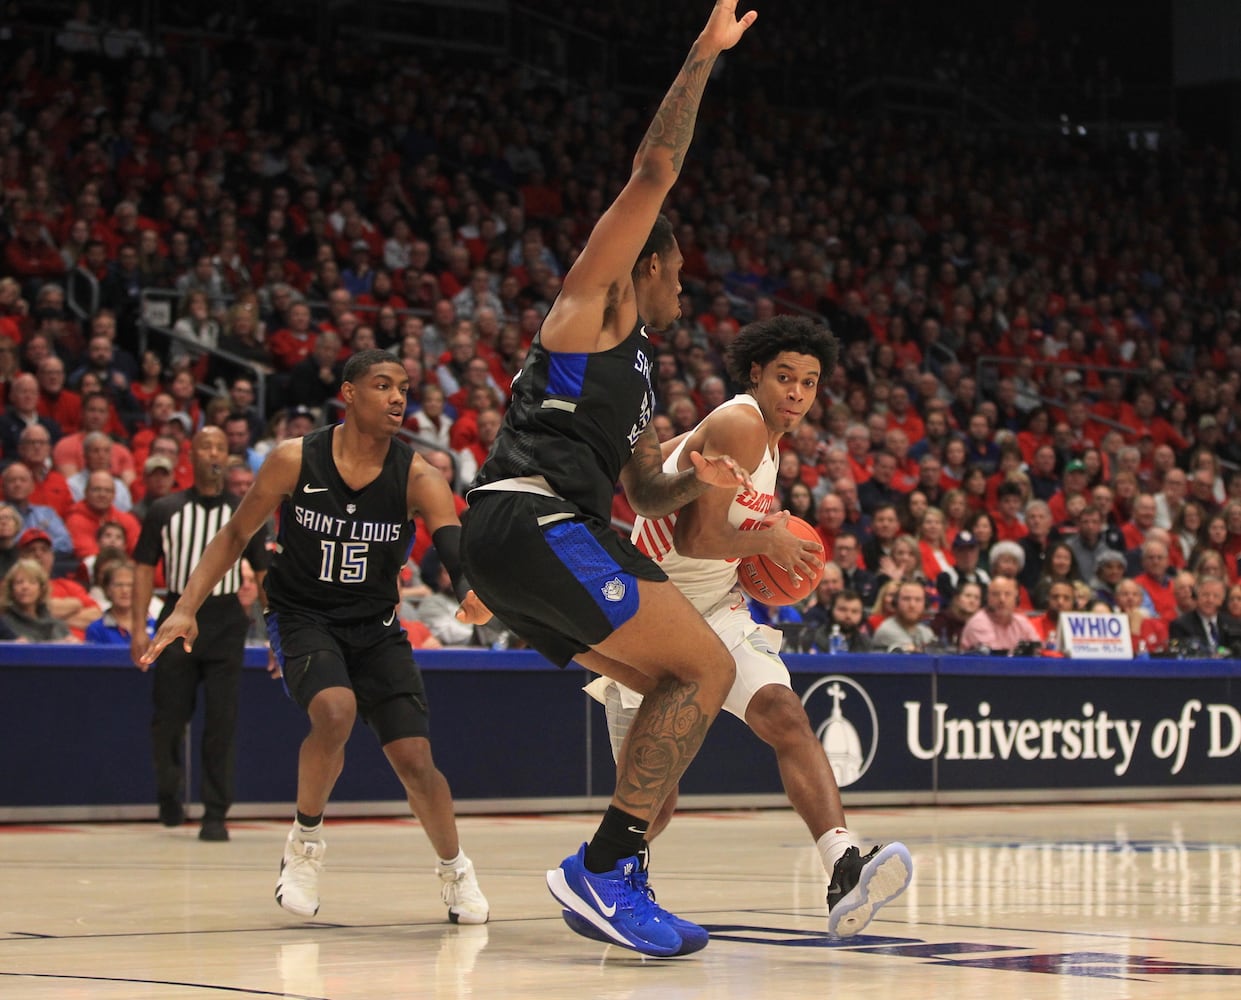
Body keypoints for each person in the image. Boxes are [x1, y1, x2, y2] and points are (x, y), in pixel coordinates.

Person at [459, 1, 772, 958]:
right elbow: (653, 169)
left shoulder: (635, 370)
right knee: (709, 667)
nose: (687, 288)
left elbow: (641, 493)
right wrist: (702, 55)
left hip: (541, 535)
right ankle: (600, 867)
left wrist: (695, 476)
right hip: (531, 518)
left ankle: (617, 867)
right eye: (681, 273)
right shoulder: (590, 305)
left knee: (673, 688)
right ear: (652, 262)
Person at [141, 352, 491, 923]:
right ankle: (305, 845)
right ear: (349, 394)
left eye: (405, 387)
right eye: (383, 386)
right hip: (302, 616)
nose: (398, 398)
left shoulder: (420, 475)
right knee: (334, 710)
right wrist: (185, 607)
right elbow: (234, 535)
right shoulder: (293, 459)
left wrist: (472, 589)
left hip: (376, 628)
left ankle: (455, 870)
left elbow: (453, 547)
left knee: (416, 760)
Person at [610, 316, 910, 938]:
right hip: (655, 616)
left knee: (785, 712)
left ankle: (844, 866)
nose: (797, 393)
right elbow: (696, 537)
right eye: (785, 377)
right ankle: (605, 875)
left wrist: (752, 546)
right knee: (652, 803)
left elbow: (654, 482)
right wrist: (768, 535)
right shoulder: (742, 421)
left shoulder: (762, 440)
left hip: (716, 609)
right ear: (755, 373)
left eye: (810, 382)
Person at [130, 427, 272, 842]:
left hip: (227, 619)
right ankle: (170, 795)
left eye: (221, 447)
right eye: (206, 446)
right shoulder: (165, 508)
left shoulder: (244, 511)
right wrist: (139, 627)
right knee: (169, 717)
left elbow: (263, 574)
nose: (213, 452)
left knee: (222, 721)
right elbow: (142, 568)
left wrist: (275, 635)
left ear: (228, 457)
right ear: (190, 456)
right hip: (177, 612)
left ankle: (215, 813)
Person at [1, 558, 76, 642]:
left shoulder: (58, 625)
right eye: (19, 582)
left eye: (32, 582)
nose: (25, 587)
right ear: (11, 589)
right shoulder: (4, 626)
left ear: (41, 589)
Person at [959, 575, 1040, 653]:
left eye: (1007, 594)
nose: (1002, 599)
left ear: (1016, 598)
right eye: (996, 594)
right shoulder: (979, 622)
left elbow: (1037, 650)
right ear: (988, 598)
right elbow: (994, 660)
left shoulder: (1021, 622)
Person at [84, 559, 154, 644]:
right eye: (118, 585)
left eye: (130, 585)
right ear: (107, 589)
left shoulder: (155, 625)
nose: (124, 590)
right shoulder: (96, 629)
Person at [1169, 575, 1239, 654]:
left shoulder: (1234, 624)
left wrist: (1222, 652)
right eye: (1205, 595)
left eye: (1215, 596)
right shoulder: (1180, 625)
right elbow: (1178, 653)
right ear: (1196, 596)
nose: (1210, 600)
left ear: (1222, 600)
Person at [871, 579, 935, 652]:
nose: (912, 605)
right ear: (895, 603)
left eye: (918, 600)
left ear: (925, 605)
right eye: (906, 599)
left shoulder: (926, 632)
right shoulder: (887, 630)